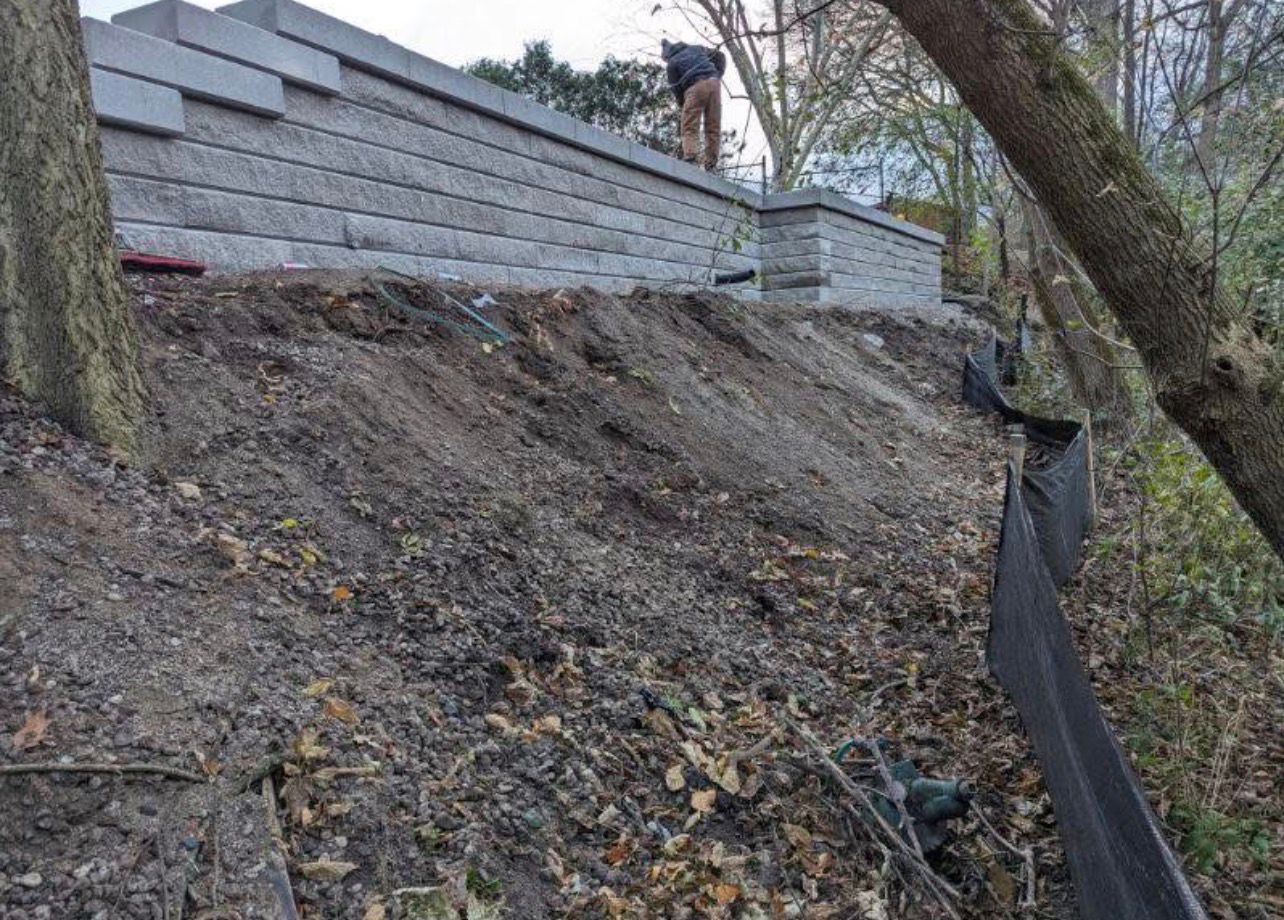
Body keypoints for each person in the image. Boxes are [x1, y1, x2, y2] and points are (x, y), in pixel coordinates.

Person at [660, 38, 727, 171]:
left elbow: (676, 89)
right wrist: (717, 74)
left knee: (689, 126)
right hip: (714, 83)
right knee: (713, 125)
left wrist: (682, 106)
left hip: (694, 86)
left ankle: (691, 158)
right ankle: (711, 163)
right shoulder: (697, 48)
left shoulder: (672, 63)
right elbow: (720, 56)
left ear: (666, 56)